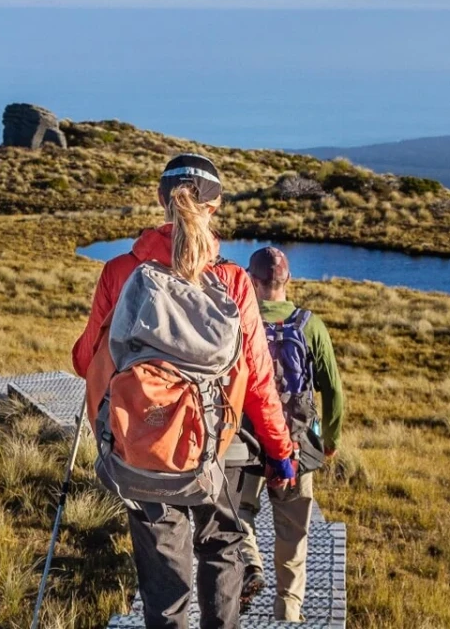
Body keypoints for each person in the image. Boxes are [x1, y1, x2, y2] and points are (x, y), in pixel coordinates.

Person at [73, 153, 296, 629]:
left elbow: (83, 359)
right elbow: (257, 378)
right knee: (222, 546)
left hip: (141, 443)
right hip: (219, 446)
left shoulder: (119, 272)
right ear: (214, 208)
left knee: (162, 568)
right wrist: (280, 450)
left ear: (161, 200)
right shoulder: (233, 280)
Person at [236, 246, 345, 622]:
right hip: (296, 445)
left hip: (244, 442)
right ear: (288, 281)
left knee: (238, 513)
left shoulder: (239, 320)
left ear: (251, 280)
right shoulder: (309, 325)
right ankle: (289, 611)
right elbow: (332, 389)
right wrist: (329, 440)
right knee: (294, 534)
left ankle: (249, 563)